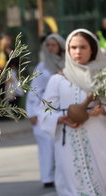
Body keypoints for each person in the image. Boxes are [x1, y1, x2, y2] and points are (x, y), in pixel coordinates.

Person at [38, 29, 106, 195]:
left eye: (83, 47)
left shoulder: (102, 77)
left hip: (98, 137)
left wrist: (102, 110)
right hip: (68, 139)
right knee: (73, 184)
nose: (78, 52)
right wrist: (62, 118)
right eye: (73, 47)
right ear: (67, 50)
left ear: (93, 49)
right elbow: (44, 112)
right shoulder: (58, 79)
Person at [26, 34, 65, 188]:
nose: (50, 48)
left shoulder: (68, 63)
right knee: (46, 144)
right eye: (48, 45)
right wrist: (32, 112)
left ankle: (63, 175)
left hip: (65, 108)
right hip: (45, 110)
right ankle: (47, 177)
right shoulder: (42, 66)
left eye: (53, 45)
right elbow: (34, 90)